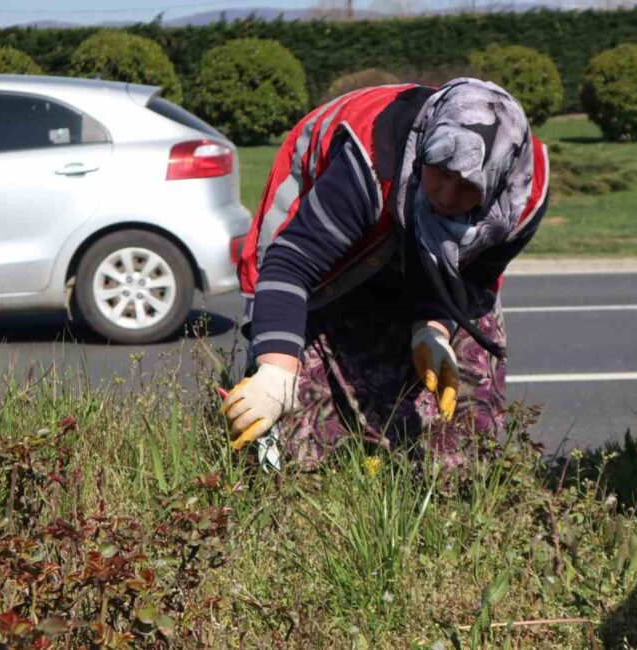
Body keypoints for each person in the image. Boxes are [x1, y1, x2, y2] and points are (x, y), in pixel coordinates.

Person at [221, 78, 549, 467]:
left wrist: (434, 327)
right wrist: (276, 372)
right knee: (297, 434)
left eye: (467, 186)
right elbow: (290, 265)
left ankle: (449, 486)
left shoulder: (522, 201)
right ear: (425, 148)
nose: (446, 195)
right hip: (314, 240)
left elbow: (472, 275)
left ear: (496, 184)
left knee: (461, 414)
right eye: (441, 171)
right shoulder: (372, 164)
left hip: (399, 217)